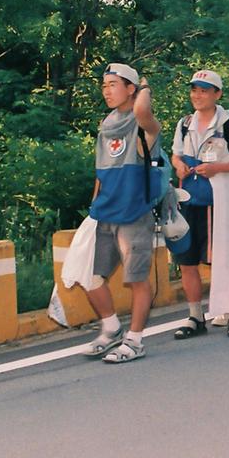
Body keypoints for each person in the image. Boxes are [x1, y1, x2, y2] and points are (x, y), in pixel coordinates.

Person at [77, 62, 163, 363]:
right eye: (104, 85)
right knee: (91, 277)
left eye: (113, 84)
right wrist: (93, 208)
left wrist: (145, 86)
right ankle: (111, 327)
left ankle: (135, 339)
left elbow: (141, 111)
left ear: (131, 89)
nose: (106, 91)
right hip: (105, 214)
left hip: (133, 214)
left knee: (137, 279)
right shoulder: (106, 125)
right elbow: (100, 172)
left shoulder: (143, 125)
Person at [171, 70, 229, 338]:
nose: (198, 95)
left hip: (219, 202)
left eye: (204, 90)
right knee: (187, 260)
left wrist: (219, 168)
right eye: (194, 89)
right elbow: (175, 155)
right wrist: (179, 165)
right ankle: (196, 316)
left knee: (223, 260)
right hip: (187, 201)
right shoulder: (185, 123)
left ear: (217, 94)